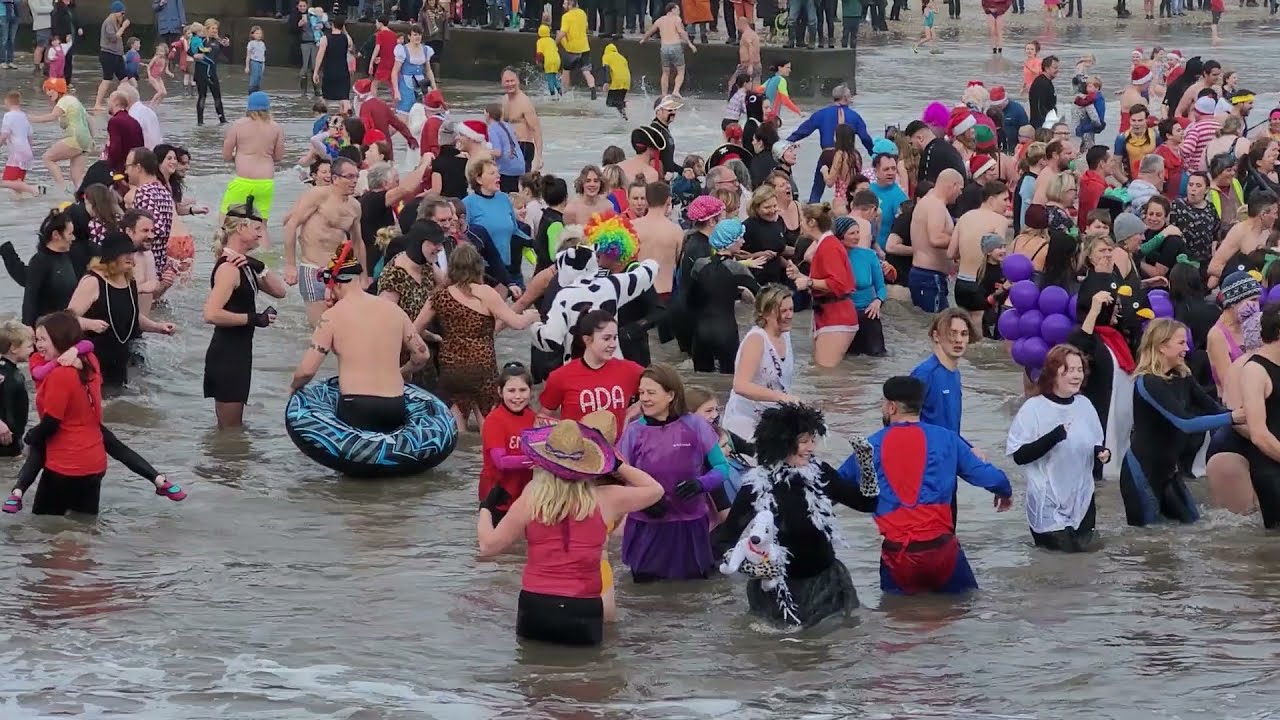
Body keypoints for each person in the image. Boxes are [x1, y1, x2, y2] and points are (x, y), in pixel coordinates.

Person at [476, 415, 663, 646]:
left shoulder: (532, 498)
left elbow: (488, 546)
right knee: (588, 667)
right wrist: (616, 463)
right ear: (588, 463)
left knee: (532, 666)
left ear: (543, 461)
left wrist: (486, 508)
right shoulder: (607, 499)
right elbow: (655, 490)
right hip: (583, 606)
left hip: (536, 604)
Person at [837, 376, 1012, 594]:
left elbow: (832, 487)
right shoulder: (947, 439)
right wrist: (1004, 491)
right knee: (967, 606)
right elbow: (990, 477)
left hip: (897, 557)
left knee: (894, 613)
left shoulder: (869, 447)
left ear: (891, 407)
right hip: (942, 551)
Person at [5, 310, 183, 515]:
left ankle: (17, 492)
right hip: (94, 464)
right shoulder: (90, 361)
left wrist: (29, 437)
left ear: (60, 338)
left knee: (44, 529)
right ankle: (159, 480)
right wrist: (69, 354)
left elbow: (52, 423)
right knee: (85, 527)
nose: (38, 345)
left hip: (65, 465)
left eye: (43, 339)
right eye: (36, 340)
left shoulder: (61, 375)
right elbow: (85, 347)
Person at [713, 403, 867, 625]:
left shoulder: (821, 473)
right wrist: (753, 568)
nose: (811, 447)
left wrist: (866, 464)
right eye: (804, 441)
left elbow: (866, 504)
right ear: (781, 442)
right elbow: (724, 541)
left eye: (813, 440)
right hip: (777, 590)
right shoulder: (757, 485)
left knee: (833, 641)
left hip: (827, 584)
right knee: (780, 643)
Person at [291, 245, 429, 432]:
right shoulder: (394, 311)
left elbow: (307, 371)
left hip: (356, 404)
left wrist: (293, 388)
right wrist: (402, 372)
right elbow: (422, 354)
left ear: (337, 284)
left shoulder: (331, 317)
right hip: (395, 405)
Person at [1124, 318, 1239, 527]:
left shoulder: (1182, 376)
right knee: (1147, 538)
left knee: (1194, 527)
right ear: (1161, 346)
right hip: (1142, 472)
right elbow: (1185, 423)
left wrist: (1247, 416)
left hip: (1170, 470)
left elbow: (1213, 408)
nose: (1187, 348)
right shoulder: (1148, 381)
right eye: (1181, 343)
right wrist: (1233, 417)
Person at [618, 364, 727, 582]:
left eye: (651, 392)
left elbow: (722, 468)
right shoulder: (634, 432)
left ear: (671, 395)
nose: (644, 399)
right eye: (641, 393)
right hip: (647, 524)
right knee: (646, 591)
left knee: (692, 589)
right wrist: (642, 501)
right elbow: (618, 475)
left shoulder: (695, 425)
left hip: (689, 524)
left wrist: (701, 484)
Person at [414, 243, 539, 430]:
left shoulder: (439, 296)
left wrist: (433, 337)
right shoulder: (486, 293)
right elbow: (517, 323)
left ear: (452, 267)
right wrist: (531, 316)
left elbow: (415, 329)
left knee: (457, 430)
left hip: (452, 368)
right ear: (478, 267)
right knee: (488, 426)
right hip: (482, 368)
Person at [1007, 344, 1108, 552]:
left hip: (1082, 500)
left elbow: (1094, 442)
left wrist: (1101, 452)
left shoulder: (1084, 405)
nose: (1076, 375)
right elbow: (1019, 456)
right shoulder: (1033, 408)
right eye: (1069, 370)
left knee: (1085, 563)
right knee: (1060, 562)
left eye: (1079, 370)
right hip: (1047, 502)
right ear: (1053, 373)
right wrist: (1054, 436)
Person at [202, 202, 287, 429]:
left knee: (234, 428)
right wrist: (252, 319)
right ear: (241, 228)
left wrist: (260, 266)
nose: (261, 234)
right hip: (227, 356)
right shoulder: (229, 268)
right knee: (230, 430)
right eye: (257, 229)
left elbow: (280, 292)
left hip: (239, 353)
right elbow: (210, 314)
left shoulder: (244, 264)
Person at [66, 232, 175, 388]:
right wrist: (89, 324)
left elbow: (132, 316)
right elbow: (66, 319)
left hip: (120, 361)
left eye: (132, 252)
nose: (131, 257)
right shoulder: (92, 282)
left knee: (120, 399)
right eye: (125, 253)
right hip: (92, 361)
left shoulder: (129, 281)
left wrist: (158, 327)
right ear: (112, 256)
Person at [283, 156, 366, 327]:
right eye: (349, 177)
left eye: (356, 176)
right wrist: (290, 265)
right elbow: (291, 225)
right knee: (321, 328)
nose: (355, 181)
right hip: (313, 268)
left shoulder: (354, 206)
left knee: (346, 327)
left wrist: (364, 276)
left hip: (340, 270)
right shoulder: (318, 195)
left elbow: (358, 242)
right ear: (335, 178)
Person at [540, 309, 644, 433]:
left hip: (618, 444)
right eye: (606, 338)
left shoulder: (628, 370)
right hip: (578, 444)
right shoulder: (561, 376)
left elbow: (661, 382)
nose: (613, 344)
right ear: (587, 340)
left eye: (615, 338)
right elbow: (543, 417)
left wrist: (637, 408)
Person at [722, 285, 797, 439]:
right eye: (783, 311)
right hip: (745, 421)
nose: (789, 315)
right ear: (765, 313)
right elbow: (740, 385)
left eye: (791, 309)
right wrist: (781, 397)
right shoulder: (756, 340)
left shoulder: (785, 334)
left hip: (772, 418)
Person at [688, 219, 760, 373]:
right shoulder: (737, 269)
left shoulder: (699, 265)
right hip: (726, 333)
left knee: (700, 381)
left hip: (700, 333)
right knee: (728, 381)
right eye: (740, 238)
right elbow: (763, 297)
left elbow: (691, 299)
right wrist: (740, 293)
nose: (743, 241)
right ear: (730, 242)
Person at [791, 203, 857, 366]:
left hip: (836, 316)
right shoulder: (826, 244)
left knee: (826, 372)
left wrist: (808, 282)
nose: (800, 225)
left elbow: (838, 283)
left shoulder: (829, 246)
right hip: (828, 313)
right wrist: (800, 276)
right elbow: (828, 281)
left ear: (812, 222)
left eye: (802, 220)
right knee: (821, 371)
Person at [786, 84, 874, 203]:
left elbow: (804, 130)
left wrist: (786, 143)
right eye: (850, 96)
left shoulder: (821, 114)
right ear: (845, 98)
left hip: (827, 154)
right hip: (847, 156)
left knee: (817, 188)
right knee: (851, 186)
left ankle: (813, 206)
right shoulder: (855, 116)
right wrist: (874, 154)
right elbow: (865, 138)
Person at [479, 363, 538, 525]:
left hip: (523, 493)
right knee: (496, 541)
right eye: (511, 391)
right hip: (497, 495)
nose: (517, 396)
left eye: (523, 390)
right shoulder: (494, 420)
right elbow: (501, 461)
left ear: (530, 391)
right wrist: (537, 460)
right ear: (500, 392)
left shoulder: (533, 418)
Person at [219, 93, 285, 228]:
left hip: (243, 181)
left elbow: (226, 155)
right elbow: (278, 157)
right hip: (265, 183)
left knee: (225, 221)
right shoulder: (276, 128)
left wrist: (237, 158)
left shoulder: (238, 125)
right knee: (260, 226)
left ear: (249, 107)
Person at [951, 183, 1011, 327]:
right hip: (981, 284)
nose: (1008, 204)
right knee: (978, 329)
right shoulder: (1000, 221)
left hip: (961, 283)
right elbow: (999, 255)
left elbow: (951, 252)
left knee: (963, 327)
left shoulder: (964, 217)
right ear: (991, 200)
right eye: (1004, 199)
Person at [908, 169, 962, 312]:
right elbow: (936, 239)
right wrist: (961, 241)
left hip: (928, 276)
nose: (960, 194)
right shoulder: (935, 205)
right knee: (937, 321)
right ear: (953, 185)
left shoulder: (931, 201)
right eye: (960, 189)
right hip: (929, 277)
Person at [31, 78, 91, 195]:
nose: (47, 93)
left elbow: (52, 116)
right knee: (77, 177)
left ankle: (63, 190)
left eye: (50, 89)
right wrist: (91, 140)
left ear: (58, 90)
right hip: (86, 140)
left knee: (47, 158)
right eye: (46, 90)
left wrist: (32, 119)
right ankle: (83, 197)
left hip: (75, 138)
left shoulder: (63, 101)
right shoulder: (74, 101)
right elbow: (90, 120)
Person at [21, 208, 79, 327]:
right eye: (70, 234)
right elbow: (30, 299)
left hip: (65, 326)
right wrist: (28, 328)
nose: (73, 238)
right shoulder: (39, 262)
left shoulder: (67, 257)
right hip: (46, 329)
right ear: (56, 235)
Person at [641, 4, 698, 99]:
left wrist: (643, 39)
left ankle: (664, 94)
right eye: (678, 10)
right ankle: (676, 91)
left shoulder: (660, 20)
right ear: (672, 10)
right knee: (681, 71)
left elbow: (650, 31)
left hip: (664, 47)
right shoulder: (677, 19)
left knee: (665, 72)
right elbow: (681, 32)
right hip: (675, 46)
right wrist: (690, 44)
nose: (679, 12)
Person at [0, 321, 31, 458]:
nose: (32, 350)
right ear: (14, 348)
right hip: (7, 441)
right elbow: (8, 410)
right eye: (29, 346)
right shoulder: (8, 377)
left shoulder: (9, 372)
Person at [187, 20, 227, 126]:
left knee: (217, 96)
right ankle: (200, 123)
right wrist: (194, 56)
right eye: (213, 28)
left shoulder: (217, 41)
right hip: (201, 72)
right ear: (206, 29)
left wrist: (225, 45)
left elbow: (222, 55)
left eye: (216, 29)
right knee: (202, 96)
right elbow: (189, 51)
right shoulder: (201, 39)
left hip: (212, 73)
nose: (215, 30)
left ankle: (223, 121)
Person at [92, 2, 130, 113]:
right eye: (122, 13)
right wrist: (123, 27)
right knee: (107, 79)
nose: (123, 16)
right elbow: (113, 38)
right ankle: (97, 103)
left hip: (117, 55)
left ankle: (121, 101)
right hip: (108, 54)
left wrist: (122, 54)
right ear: (116, 12)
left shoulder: (116, 22)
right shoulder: (108, 22)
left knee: (124, 79)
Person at [391, 24, 436, 115]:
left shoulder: (426, 50)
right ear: (409, 36)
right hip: (406, 84)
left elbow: (428, 70)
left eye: (419, 35)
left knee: (422, 111)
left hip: (421, 84)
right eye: (415, 35)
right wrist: (396, 91)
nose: (417, 37)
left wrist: (434, 87)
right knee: (405, 110)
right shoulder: (403, 50)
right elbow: (394, 72)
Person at [556, 0, 597, 98]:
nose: (563, 5)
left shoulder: (566, 16)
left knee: (566, 71)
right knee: (586, 71)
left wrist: (555, 43)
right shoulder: (582, 13)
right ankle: (593, 90)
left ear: (570, 5)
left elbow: (563, 33)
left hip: (571, 49)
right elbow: (586, 27)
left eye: (565, 3)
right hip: (584, 47)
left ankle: (564, 92)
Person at [1028, 55, 1060, 130]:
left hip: (1048, 122)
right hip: (1042, 125)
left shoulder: (1047, 82)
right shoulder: (1041, 83)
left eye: (1058, 68)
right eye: (1055, 68)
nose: (1057, 70)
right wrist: (1045, 126)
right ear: (1046, 68)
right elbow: (1039, 107)